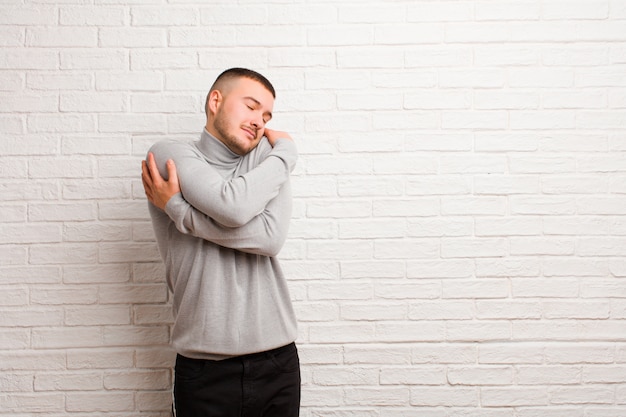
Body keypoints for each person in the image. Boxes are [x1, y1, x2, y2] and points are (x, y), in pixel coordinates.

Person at [141, 68, 300, 417]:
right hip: (205, 370)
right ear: (216, 101)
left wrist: (179, 210)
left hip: (278, 361)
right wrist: (287, 152)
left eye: (267, 115)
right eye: (251, 106)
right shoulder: (171, 155)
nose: (259, 121)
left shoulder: (266, 162)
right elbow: (233, 206)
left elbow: (271, 239)